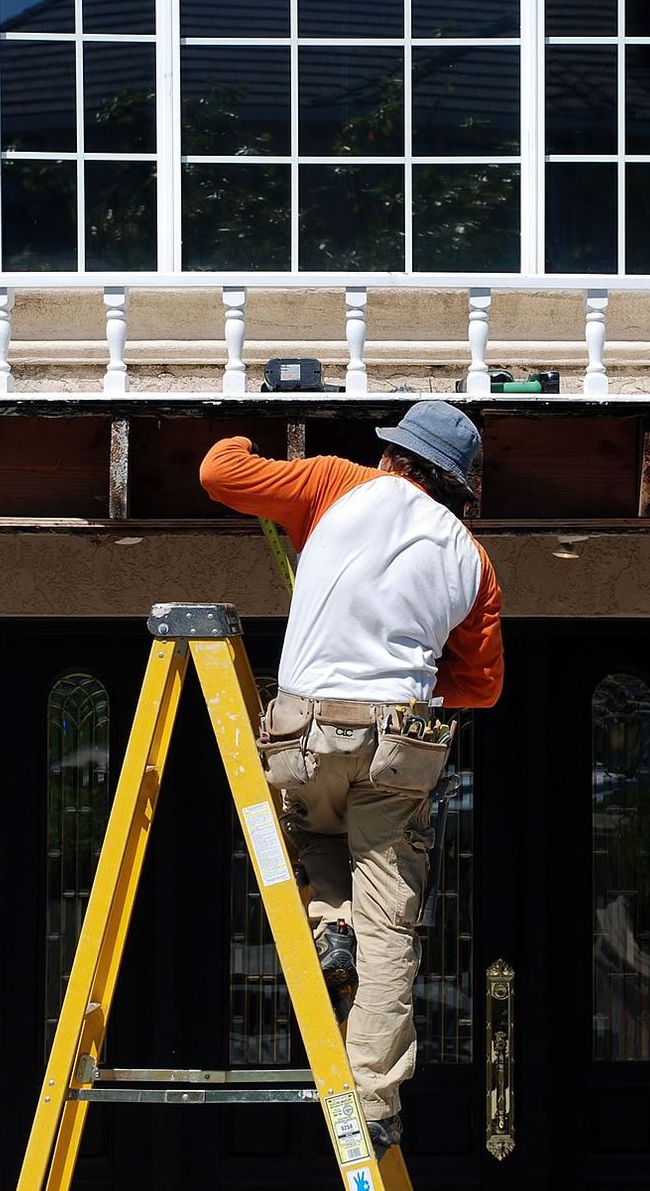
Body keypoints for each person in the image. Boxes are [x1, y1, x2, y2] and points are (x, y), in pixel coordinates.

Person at [199, 400, 504, 1152]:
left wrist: (244, 428)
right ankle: (374, 1100)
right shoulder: (470, 556)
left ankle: (330, 923)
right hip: (402, 739)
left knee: (306, 827)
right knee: (391, 918)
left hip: (308, 733)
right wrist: (418, 683)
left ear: (395, 456)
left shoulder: (337, 484)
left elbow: (218, 471)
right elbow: (483, 686)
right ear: (457, 484)